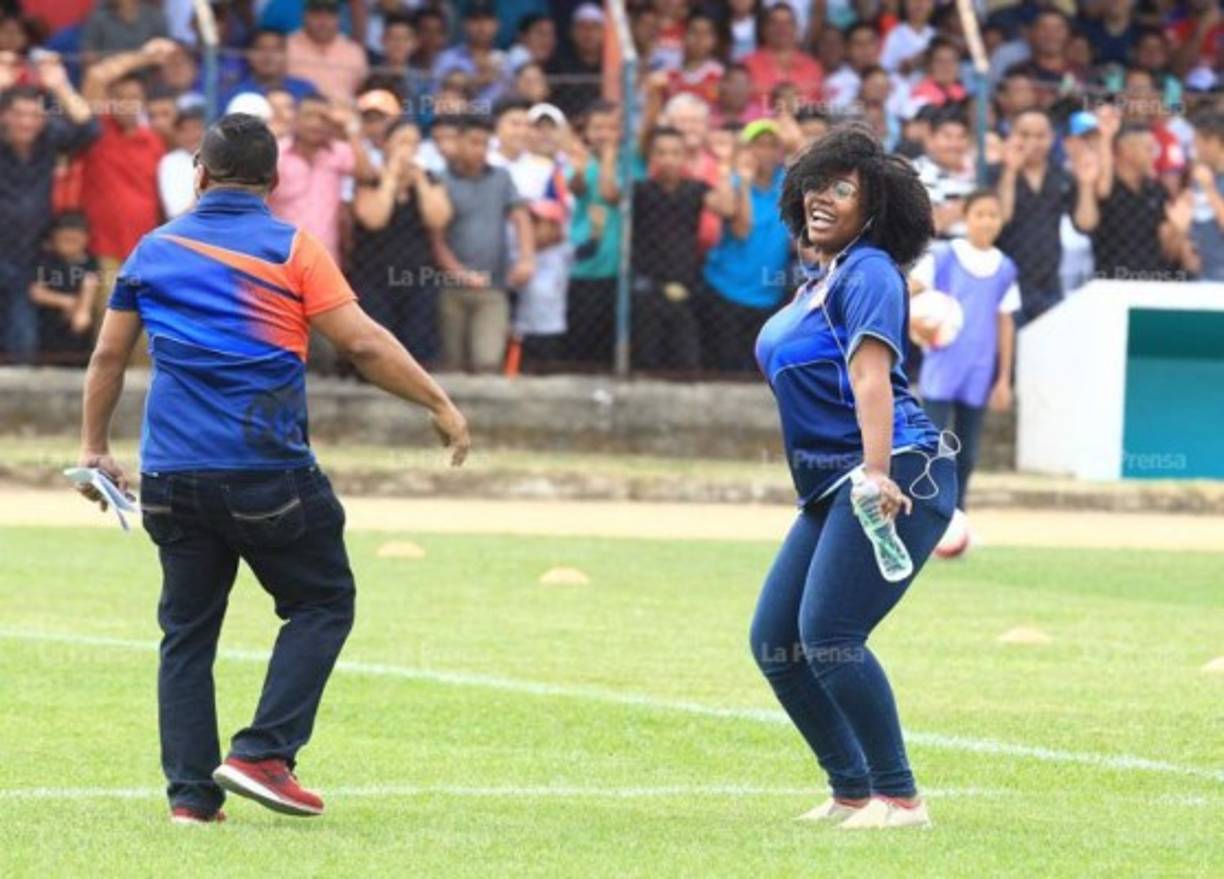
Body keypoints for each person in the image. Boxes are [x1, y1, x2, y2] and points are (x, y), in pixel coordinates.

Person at [74, 112, 470, 825]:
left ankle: (192, 798)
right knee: (322, 601)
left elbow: (107, 358)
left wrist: (94, 449)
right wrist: (438, 401)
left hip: (170, 478)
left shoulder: (152, 249)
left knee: (187, 632)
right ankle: (263, 752)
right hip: (265, 473)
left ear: (199, 173)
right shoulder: (293, 247)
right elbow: (365, 344)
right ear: (274, 181)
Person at [749, 123, 953, 831]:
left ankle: (901, 798)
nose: (820, 198)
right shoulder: (827, 279)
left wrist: (875, 472)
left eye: (842, 186)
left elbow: (871, 376)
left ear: (877, 204)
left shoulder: (867, 270)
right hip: (832, 484)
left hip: (893, 471)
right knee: (775, 640)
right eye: (813, 184)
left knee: (830, 634)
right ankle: (852, 789)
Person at [910, 189, 1018, 514]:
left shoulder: (1005, 268)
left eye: (993, 215)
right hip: (942, 366)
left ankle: (957, 515)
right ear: (965, 218)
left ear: (1001, 221)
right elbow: (905, 293)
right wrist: (916, 325)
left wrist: (1003, 379)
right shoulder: (943, 256)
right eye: (979, 214)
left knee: (967, 453)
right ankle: (927, 514)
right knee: (934, 446)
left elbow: (1005, 323)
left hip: (979, 369)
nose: (986, 221)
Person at [0, 54, 97, 363]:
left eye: (34, 115)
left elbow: (90, 129)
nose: (26, 122)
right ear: (4, 116)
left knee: (22, 348)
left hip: (25, 263)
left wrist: (61, 86)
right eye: (18, 114)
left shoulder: (47, 141)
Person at [629, 125, 746, 372]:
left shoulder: (695, 189)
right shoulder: (639, 190)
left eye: (674, 153)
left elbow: (726, 208)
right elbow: (610, 193)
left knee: (687, 360)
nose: (668, 159)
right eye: (661, 153)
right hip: (646, 287)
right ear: (652, 157)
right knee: (646, 361)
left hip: (684, 287)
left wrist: (724, 168)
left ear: (684, 157)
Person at [432, 113, 536, 373]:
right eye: (473, 143)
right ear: (457, 142)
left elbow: (520, 218)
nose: (479, 150)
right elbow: (436, 239)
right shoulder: (439, 180)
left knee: (487, 362)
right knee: (452, 364)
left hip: (493, 287)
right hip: (450, 288)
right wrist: (461, 274)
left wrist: (526, 258)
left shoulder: (501, 178)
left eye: (484, 144)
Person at [351, 121, 452, 359]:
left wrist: (420, 182)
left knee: (417, 344)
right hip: (374, 275)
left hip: (417, 275)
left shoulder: (430, 180)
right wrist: (390, 180)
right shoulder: (370, 179)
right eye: (402, 142)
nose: (409, 149)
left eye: (414, 143)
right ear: (386, 145)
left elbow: (438, 219)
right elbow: (374, 219)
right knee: (379, 344)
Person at [700, 119, 790, 372]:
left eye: (773, 146)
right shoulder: (735, 183)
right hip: (726, 291)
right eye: (758, 145)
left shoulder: (787, 184)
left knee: (758, 372)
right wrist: (744, 182)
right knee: (726, 370)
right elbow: (741, 230)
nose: (766, 152)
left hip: (768, 296)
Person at [28, 211, 100, 365]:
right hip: (49, 321)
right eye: (64, 240)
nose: (69, 245)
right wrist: (67, 302)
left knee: (82, 330)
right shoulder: (47, 261)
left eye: (74, 240)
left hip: (77, 325)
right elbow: (37, 292)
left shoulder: (89, 262)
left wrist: (83, 310)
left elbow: (89, 285)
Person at [286, 0, 369, 104]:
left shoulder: (354, 51)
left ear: (339, 18)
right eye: (317, 15)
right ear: (304, 16)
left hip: (343, 114)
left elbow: (361, 92)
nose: (323, 22)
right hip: (298, 114)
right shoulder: (287, 46)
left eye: (329, 15)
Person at [1189, 109, 1224, 281]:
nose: (1194, 148)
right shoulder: (1199, 178)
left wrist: (1209, 189)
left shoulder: (1205, 181)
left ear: (1214, 142)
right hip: (1201, 276)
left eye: (1198, 141)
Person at [158, 103, 207, 219]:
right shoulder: (169, 163)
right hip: (185, 231)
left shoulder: (218, 159)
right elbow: (175, 213)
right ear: (176, 134)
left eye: (196, 127)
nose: (192, 135)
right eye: (184, 130)